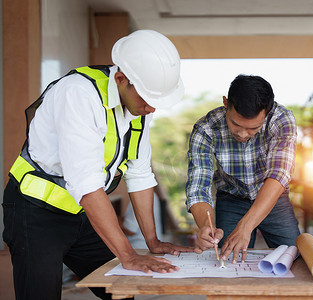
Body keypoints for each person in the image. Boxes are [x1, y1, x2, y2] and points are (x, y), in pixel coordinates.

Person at [2, 30, 193, 300]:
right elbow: (86, 183)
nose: (152, 108)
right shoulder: (78, 94)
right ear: (121, 79)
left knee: (120, 291)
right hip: (35, 212)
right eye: (148, 98)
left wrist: (152, 241)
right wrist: (128, 255)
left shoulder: (139, 109)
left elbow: (139, 174)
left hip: (80, 211)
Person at [186, 74, 300, 264]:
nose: (242, 134)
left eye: (253, 128)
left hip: (273, 198)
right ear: (226, 103)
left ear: (268, 112)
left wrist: (246, 226)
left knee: (294, 257)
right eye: (235, 124)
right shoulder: (205, 129)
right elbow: (198, 188)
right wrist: (207, 226)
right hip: (231, 200)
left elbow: (279, 174)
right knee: (227, 260)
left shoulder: (281, 119)